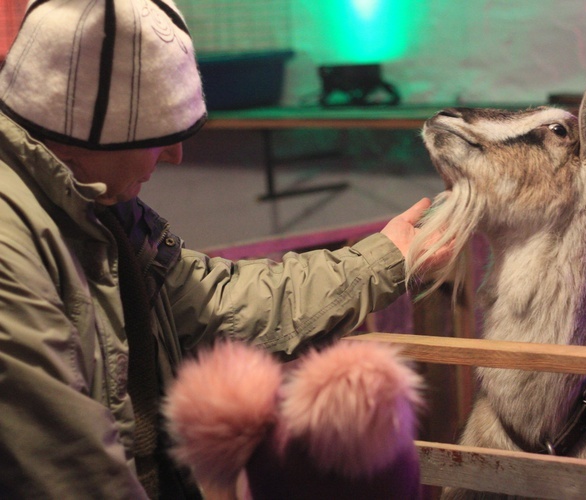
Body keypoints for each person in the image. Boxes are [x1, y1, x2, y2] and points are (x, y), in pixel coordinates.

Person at [0, 1, 448, 498]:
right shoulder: (10, 246)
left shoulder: (97, 211)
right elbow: (69, 473)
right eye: (156, 134)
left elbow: (216, 303)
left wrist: (383, 259)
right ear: (79, 133)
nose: (175, 154)